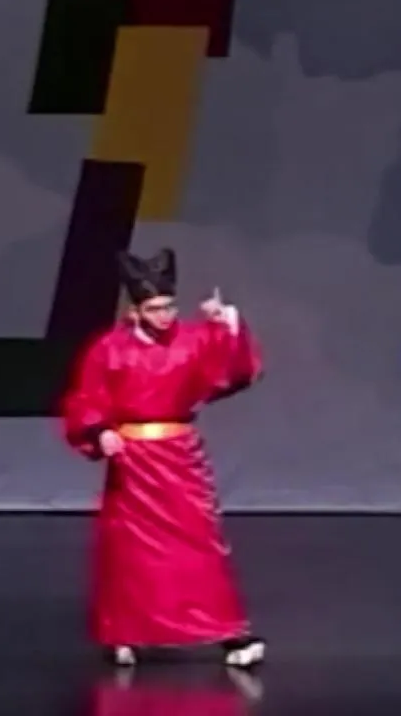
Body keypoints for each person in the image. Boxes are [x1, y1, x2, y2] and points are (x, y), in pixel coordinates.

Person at [61, 247, 265, 668]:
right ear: (135, 310)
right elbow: (85, 397)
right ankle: (124, 632)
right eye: (155, 309)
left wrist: (224, 321)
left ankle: (226, 631)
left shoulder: (193, 339)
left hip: (179, 456)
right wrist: (100, 431)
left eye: (169, 306)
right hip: (133, 462)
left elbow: (234, 370)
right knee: (130, 551)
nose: (165, 315)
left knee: (200, 544)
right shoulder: (109, 348)